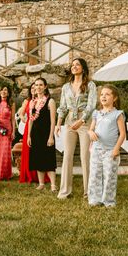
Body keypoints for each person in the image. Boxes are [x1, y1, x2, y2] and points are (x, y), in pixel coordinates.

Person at [55, 58, 97, 199]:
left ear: (83, 68)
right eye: (72, 65)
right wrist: (58, 124)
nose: (74, 67)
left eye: (77, 64)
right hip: (69, 123)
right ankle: (65, 191)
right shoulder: (66, 87)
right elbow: (62, 107)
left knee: (85, 156)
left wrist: (82, 120)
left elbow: (91, 105)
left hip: (84, 123)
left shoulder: (90, 85)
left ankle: (89, 192)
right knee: (67, 156)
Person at [87, 85, 126, 207]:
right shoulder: (96, 113)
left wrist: (116, 149)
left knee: (109, 176)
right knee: (95, 175)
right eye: (102, 94)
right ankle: (94, 199)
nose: (103, 96)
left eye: (107, 94)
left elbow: (122, 134)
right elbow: (90, 129)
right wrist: (91, 133)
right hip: (96, 149)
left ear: (114, 98)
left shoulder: (117, 114)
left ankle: (108, 201)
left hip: (110, 150)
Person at [27, 78, 57, 191]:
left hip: (46, 133)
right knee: (38, 158)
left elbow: (53, 121)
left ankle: (53, 185)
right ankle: (41, 183)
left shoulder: (50, 101)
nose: (38, 87)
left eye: (40, 85)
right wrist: (29, 135)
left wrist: (51, 136)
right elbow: (31, 120)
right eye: (36, 85)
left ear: (45, 86)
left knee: (48, 158)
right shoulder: (32, 102)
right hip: (35, 134)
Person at [0, 85, 14, 181]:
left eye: (5, 90)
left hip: (7, 128)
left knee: (5, 152)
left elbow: (12, 119)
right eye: (2, 90)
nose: (3, 91)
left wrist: (13, 131)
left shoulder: (11, 103)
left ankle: (5, 174)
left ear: (8, 93)